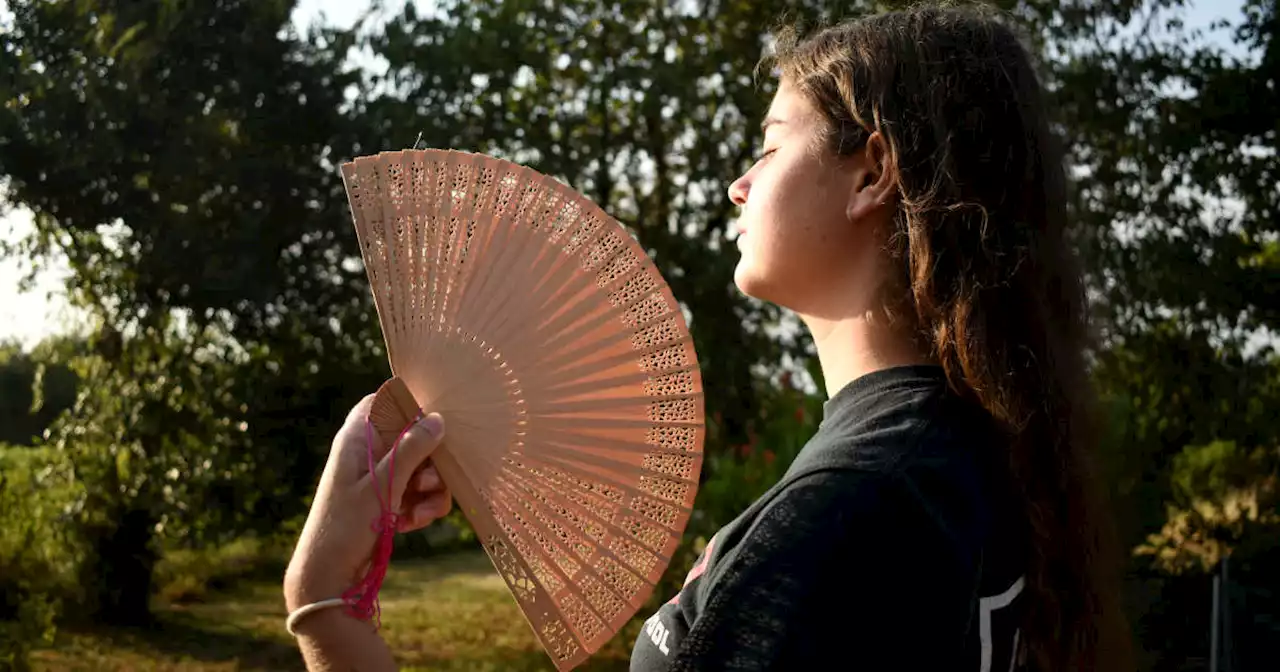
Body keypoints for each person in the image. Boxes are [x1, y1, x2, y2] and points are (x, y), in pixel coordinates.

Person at [284, 4, 1132, 671]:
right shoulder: (971, 464)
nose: (738, 183)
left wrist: (325, 610)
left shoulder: (844, 517)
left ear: (873, 171)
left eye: (768, 146)